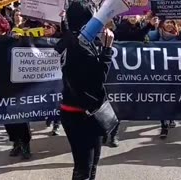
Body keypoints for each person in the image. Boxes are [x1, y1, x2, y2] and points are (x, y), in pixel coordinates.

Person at [55, 2, 115, 179]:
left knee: (91, 163)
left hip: (78, 110)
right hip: (81, 114)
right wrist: (107, 50)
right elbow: (97, 81)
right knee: (84, 168)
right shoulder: (79, 46)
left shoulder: (70, 40)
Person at [0, 13, 31, 160]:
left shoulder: (15, 39)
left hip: (15, 84)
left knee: (20, 115)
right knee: (5, 115)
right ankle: (15, 142)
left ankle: (25, 143)